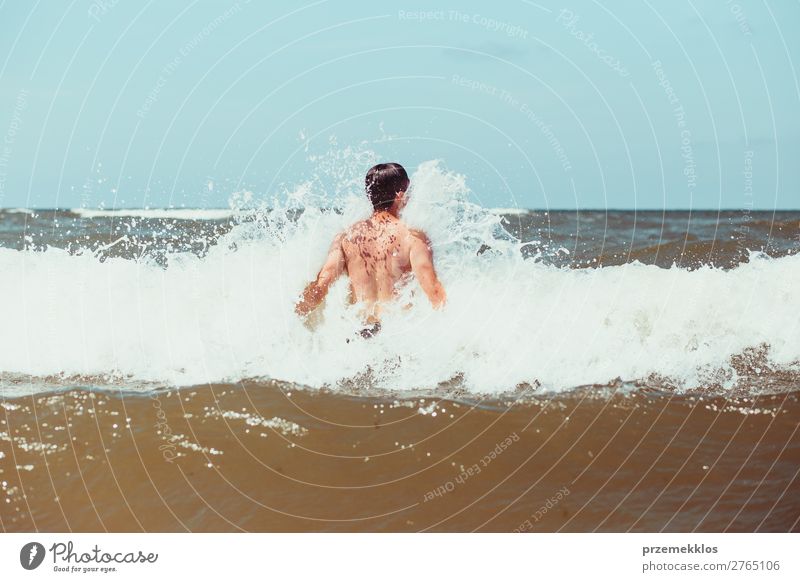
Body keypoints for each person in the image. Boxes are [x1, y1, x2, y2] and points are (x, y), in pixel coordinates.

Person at [295, 162, 446, 338]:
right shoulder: (413, 238)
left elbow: (320, 288)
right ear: (400, 195)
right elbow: (434, 292)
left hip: (358, 335)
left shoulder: (347, 237)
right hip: (396, 335)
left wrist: (294, 321)